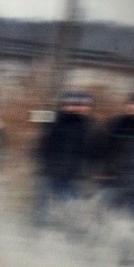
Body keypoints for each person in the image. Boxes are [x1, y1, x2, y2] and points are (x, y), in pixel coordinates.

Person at [32, 91, 95, 225]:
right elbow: (42, 145)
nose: (78, 108)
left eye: (83, 105)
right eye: (73, 104)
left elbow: (92, 152)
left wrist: (86, 171)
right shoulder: (54, 121)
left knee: (71, 207)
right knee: (42, 207)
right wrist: (45, 166)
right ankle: (37, 229)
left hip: (74, 176)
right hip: (51, 173)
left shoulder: (89, 126)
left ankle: (66, 230)